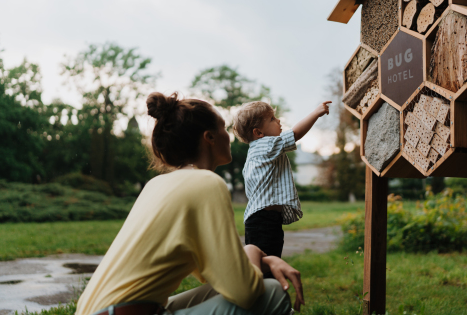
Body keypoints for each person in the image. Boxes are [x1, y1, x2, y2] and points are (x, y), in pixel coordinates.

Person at [75, 92, 304, 315]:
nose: (229, 136)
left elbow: (221, 275)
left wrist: (262, 260)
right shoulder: (207, 183)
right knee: (271, 292)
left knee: (221, 289)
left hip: (98, 310)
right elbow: (246, 293)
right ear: (209, 137)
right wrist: (255, 251)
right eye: (223, 128)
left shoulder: (155, 185)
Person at [232, 101, 331, 262]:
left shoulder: (258, 149)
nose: (278, 121)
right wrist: (315, 113)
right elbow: (295, 134)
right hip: (263, 220)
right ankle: (266, 286)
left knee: (265, 261)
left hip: (263, 219)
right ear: (258, 132)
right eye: (272, 119)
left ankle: (265, 285)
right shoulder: (265, 146)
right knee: (268, 261)